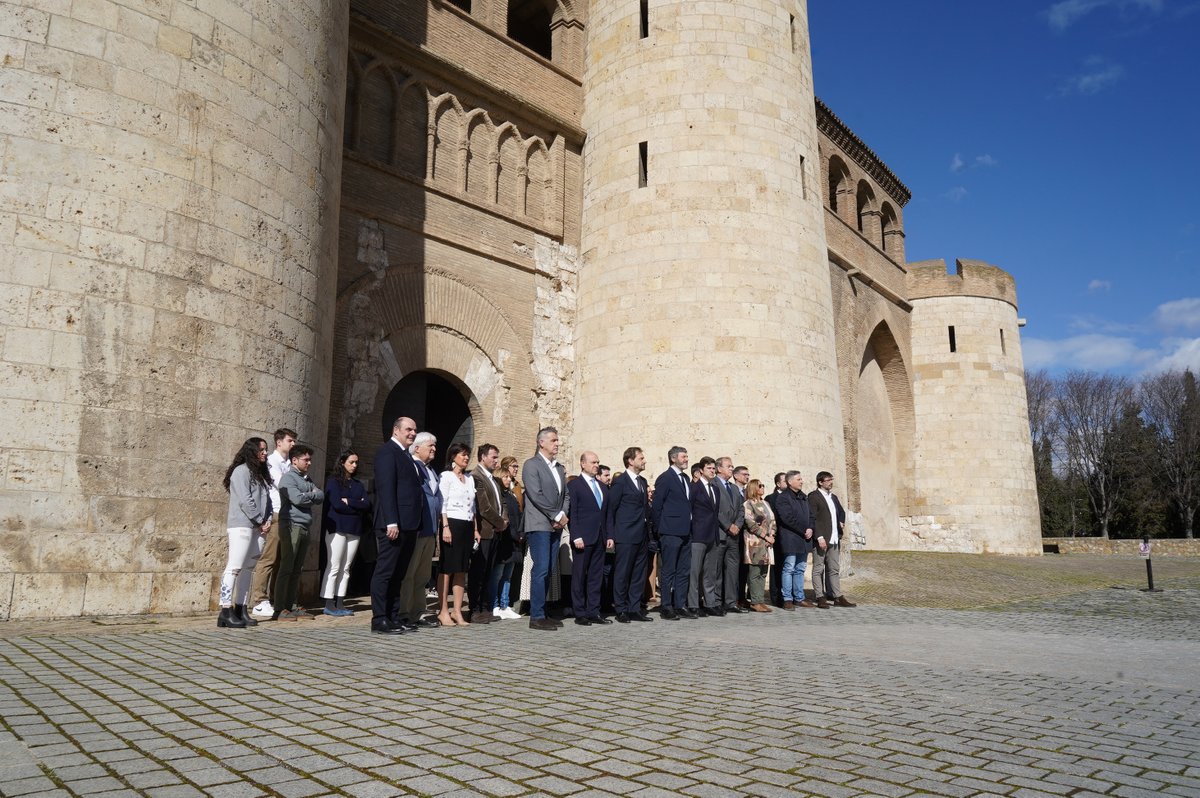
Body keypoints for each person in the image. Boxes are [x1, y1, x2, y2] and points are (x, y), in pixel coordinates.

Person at [370, 416, 428, 635]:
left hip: (409, 525)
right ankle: (379, 618)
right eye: (408, 429)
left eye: (414, 430)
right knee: (385, 572)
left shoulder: (406, 456)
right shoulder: (387, 453)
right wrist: (391, 521)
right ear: (396, 430)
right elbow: (386, 489)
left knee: (399, 573)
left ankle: (393, 616)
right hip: (393, 525)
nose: (412, 433)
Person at [219, 437, 272, 629]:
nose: (265, 453)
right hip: (242, 524)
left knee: (248, 569)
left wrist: (266, 521)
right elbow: (245, 499)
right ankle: (225, 610)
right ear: (251, 451)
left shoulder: (260, 474)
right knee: (234, 567)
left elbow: (268, 500)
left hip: (258, 526)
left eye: (266, 449)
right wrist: (260, 520)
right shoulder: (240, 472)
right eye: (262, 450)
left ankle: (240, 608)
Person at [522, 427, 570, 631]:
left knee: (549, 569)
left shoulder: (559, 468)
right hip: (539, 524)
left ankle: (544, 611)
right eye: (553, 440)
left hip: (556, 525)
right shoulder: (531, 465)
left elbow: (565, 495)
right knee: (540, 569)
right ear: (541, 442)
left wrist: (562, 515)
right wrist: (556, 515)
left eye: (558, 440)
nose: (557, 443)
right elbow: (535, 494)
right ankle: (536, 616)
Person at [274, 444, 323, 620]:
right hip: (291, 525)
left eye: (310, 459)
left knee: (297, 569)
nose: (309, 462)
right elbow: (296, 498)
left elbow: (321, 495)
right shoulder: (288, 479)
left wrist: (307, 495)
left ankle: (292, 605)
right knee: (287, 567)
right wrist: (311, 494)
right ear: (294, 460)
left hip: (304, 526)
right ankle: (279, 608)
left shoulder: (306, 479)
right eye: (306, 459)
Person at [250, 428, 295, 619]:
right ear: (279, 442)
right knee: (268, 558)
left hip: (288, 514)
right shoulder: (272, 462)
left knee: (281, 559)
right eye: (290, 441)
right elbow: (284, 484)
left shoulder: (288, 463)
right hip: (275, 512)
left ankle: (278, 600)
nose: (293, 444)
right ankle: (259, 600)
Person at [320, 450, 370, 616]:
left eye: (356, 462)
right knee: (334, 565)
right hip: (337, 527)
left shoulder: (358, 485)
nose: (354, 465)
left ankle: (340, 601)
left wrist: (349, 502)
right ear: (342, 462)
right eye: (351, 462)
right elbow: (336, 504)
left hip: (354, 529)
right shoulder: (333, 482)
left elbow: (367, 504)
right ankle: (329, 602)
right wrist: (356, 506)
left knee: (346, 567)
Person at [399, 432, 441, 627]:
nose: (433, 449)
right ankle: (404, 613)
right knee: (409, 573)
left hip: (430, 529)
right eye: (430, 446)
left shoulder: (431, 470)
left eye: (434, 446)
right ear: (417, 448)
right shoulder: (411, 466)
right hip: (417, 528)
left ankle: (418, 612)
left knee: (423, 575)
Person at [607, 446, 653, 623]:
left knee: (639, 573)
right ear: (630, 461)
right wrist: (611, 534)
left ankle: (634, 608)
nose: (644, 461)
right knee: (622, 573)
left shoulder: (641, 481)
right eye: (641, 458)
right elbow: (611, 509)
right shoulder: (621, 481)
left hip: (641, 535)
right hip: (625, 535)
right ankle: (621, 608)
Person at [567, 451, 611, 626]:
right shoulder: (575, 485)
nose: (596, 465)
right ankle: (580, 612)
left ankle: (594, 611)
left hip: (600, 537)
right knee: (579, 576)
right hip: (582, 538)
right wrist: (575, 535)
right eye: (593, 462)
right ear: (582, 464)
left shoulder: (602, 487)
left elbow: (607, 514)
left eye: (598, 462)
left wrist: (610, 535)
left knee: (596, 576)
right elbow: (573, 513)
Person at [651, 446, 692, 620]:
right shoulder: (665, 478)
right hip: (670, 531)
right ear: (673, 458)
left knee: (683, 570)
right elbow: (657, 506)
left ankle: (680, 604)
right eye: (683, 456)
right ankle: (666, 605)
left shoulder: (686, 478)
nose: (686, 459)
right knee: (668, 570)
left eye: (687, 456)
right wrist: (660, 530)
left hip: (686, 531)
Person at [438, 442, 476, 628]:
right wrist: (445, 526)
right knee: (447, 568)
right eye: (462, 454)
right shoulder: (446, 476)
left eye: (467, 455)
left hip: (467, 525)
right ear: (453, 457)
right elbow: (442, 503)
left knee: (462, 568)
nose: (466, 458)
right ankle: (443, 609)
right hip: (451, 523)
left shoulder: (469, 478)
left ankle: (457, 610)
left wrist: (475, 528)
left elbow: (473, 506)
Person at [469, 444, 506, 624]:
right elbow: (484, 507)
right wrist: (500, 523)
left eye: (497, 457)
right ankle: (475, 609)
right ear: (483, 457)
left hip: (496, 532)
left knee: (488, 572)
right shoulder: (477, 477)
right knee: (478, 572)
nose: (496, 461)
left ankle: (485, 607)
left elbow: (502, 504)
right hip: (484, 531)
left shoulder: (494, 480)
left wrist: (504, 521)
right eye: (493, 457)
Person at [809, 471, 857, 608]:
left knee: (834, 568)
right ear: (820, 482)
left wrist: (841, 521)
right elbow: (812, 518)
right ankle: (820, 596)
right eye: (828, 480)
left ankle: (837, 596)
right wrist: (819, 537)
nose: (831, 482)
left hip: (835, 538)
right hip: (822, 539)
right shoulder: (814, 497)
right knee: (818, 569)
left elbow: (841, 512)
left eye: (832, 479)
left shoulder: (833, 497)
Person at [712, 457, 748, 614]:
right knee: (717, 569)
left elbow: (741, 509)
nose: (732, 469)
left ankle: (731, 602)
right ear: (719, 468)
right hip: (720, 534)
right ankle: (716, 601)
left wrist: (737, 525)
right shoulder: (713, 484)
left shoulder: (734, 488)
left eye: (733, 466)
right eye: (729, 466)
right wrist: (728, 526)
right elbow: (715, 509)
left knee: (732, 570)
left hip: (734, 536)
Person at [774, 471, 814, 610]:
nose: (802, 481)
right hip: (791, 538)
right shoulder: (783, 498)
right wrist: (803, 529)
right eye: (799, 479)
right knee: (789, 568)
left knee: (800, 568)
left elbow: (811, 516)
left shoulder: (804, 497)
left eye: (801, 479)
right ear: (790, 482)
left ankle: (799, 597)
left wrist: (810, 528)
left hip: (804, 539)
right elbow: (787, 518)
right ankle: (787, 599)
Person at [489, 468, 524, 619]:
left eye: (509, 477)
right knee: (497, 575)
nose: (509, 480)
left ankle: (505, 604)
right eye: (505, 477)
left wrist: (521, 533)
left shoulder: (510, 495)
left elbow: (518, 515)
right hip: (504, 538)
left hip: (514, 540)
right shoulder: (499, 495)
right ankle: (494, 604)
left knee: (507, 576)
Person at [689, 456, 721, 616]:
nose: (712, 471)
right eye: (709, 468)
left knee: (710, 572)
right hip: (698, 535)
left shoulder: (715, 489)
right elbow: (689, 511)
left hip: (712, 535)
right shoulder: (694, 488)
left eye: (714, 468)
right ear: (701, 470)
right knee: (695, 572)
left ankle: (710, 603)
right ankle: (693, 604)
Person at [742, 479, 776, 612]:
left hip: (767, 543)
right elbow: (750, 523)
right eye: (760, 486)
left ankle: (760, 600)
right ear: (754, 488)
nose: (762, 488)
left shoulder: (765, 503)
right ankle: (755, 601)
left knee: (763, 571)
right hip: (754, 542)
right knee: (755, 572)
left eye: (763, 485)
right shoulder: (748, 504)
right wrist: (765, 536)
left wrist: (772, 535)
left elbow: (772, 521)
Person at [765, 471, 787, 606]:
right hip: (777, 537)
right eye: (785, 481)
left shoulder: (792, 497)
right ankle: (776, 595)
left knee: (788, 567)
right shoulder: (771, 498)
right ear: (778, 484)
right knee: (776, 567)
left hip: (789, 538)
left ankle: (787, 594)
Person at [732, 465, 752, 609]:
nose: (747, 477)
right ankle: (733, 597)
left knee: (745, 568)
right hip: (734, 533)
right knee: (734, 568)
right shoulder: (731, 491)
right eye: (744, 474)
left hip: (747, 535)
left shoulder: (747, 493)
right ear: (736, 476)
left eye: (748, 474)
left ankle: (741, 596)